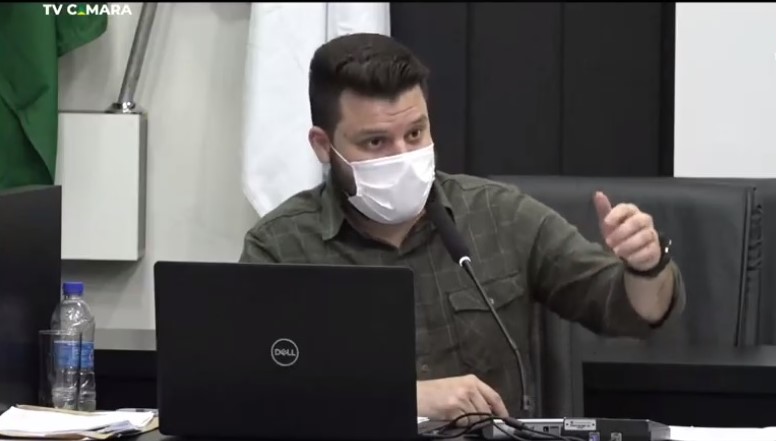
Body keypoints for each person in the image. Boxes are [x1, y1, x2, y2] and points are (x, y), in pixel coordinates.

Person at [239, 32, 686, 422]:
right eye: (376, 142)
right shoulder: (280, 246)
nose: (403, 156)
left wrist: (646, 265)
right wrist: (407, 397)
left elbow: (631, 311)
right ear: (324, 146)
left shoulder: (500, 214)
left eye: (415, 134)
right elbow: (257, 390)